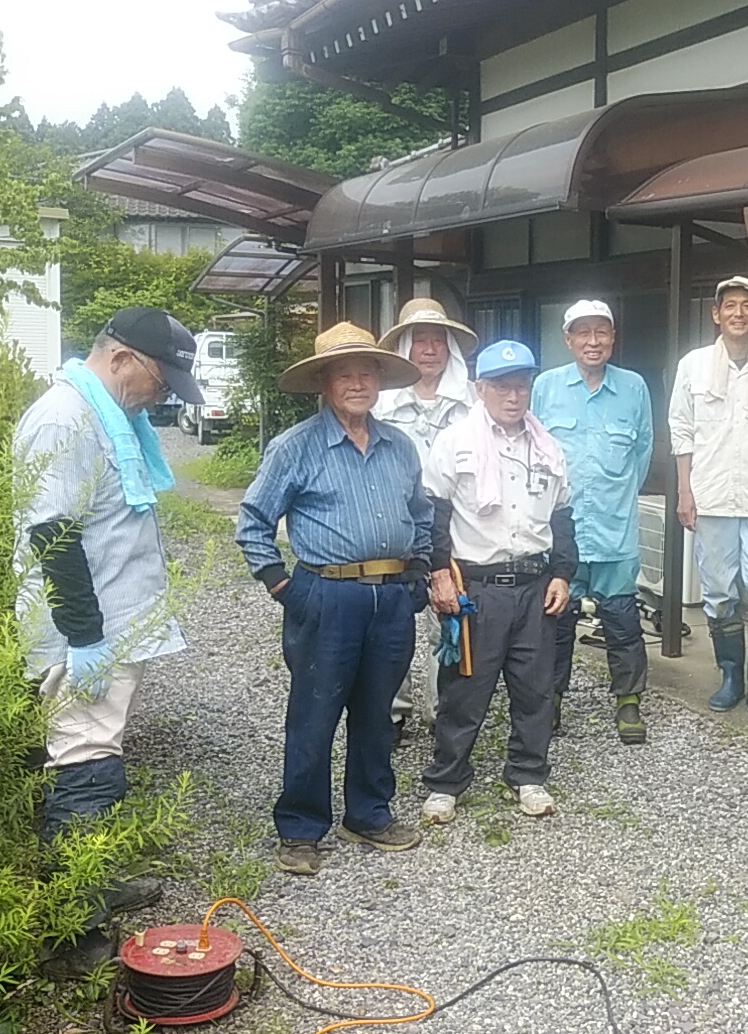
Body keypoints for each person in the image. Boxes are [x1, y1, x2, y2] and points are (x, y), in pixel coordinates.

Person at [14, 307, 203, 975]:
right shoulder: (65, 418)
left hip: (113, 629)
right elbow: (52, 535)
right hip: (83, 634)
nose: (162, 394)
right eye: (160, 379)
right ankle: (72, 938)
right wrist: (85, 639)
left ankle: (99, 883)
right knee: (83, 769)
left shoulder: (107, 415)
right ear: (121, 359)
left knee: (101, 757)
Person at [237, 323, 431, 875]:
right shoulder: (295, 447)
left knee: (377, 714)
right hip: (326, 596)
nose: (357, 382)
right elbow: (252, 522)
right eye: (344, 373)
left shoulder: (400, 445)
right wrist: (284, 586)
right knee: (314, 716)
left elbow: (420, 513)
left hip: (392, 598)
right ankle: (300, 828)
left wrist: (417, 571)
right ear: (324, 382)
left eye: (366, 372)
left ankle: (369, 813)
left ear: (379, 380)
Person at [421, 341, 576, 824]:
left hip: (535, 584)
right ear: (480, 388)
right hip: (477, 588)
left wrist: (563, 574)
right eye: (503, 386)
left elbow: (563, 516)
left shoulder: (547, 445)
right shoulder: (455, 441)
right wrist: (440, 574)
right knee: (464, 690)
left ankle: (528, 775)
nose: (513, 395)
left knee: (534, 689)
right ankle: (446, 782)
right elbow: (434, 514)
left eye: (522, 385)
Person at [669, 275, 748, 728]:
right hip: (710, 495)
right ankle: (731, 678)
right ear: (716, 314)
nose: (738, 313)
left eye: (747, 305)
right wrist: (684, 490)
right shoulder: (693, 365)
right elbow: (681, 431)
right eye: (730, 305)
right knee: (720, 590)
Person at [533, 300, 656, 744]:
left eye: (601, 332)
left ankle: (628, 702)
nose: (593, 341)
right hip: (560, 530)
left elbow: (642, 452)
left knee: (622, 619)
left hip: (614, 527)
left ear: (613, 337)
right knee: (556, 618)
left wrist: (615, 495)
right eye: (582, 333)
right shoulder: (546, 387)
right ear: (568, 340)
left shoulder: (634, 387)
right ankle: (551, 699)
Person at [375, 298, 479, 741]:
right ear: (404, 348)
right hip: (394, 527)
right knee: (393, 625)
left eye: (439, 340)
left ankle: (444, 708)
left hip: (453, 528)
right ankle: (392, 709)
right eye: (421, 341)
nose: (430, 350)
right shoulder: (380, 402)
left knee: (448, 618)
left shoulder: (472, 401)